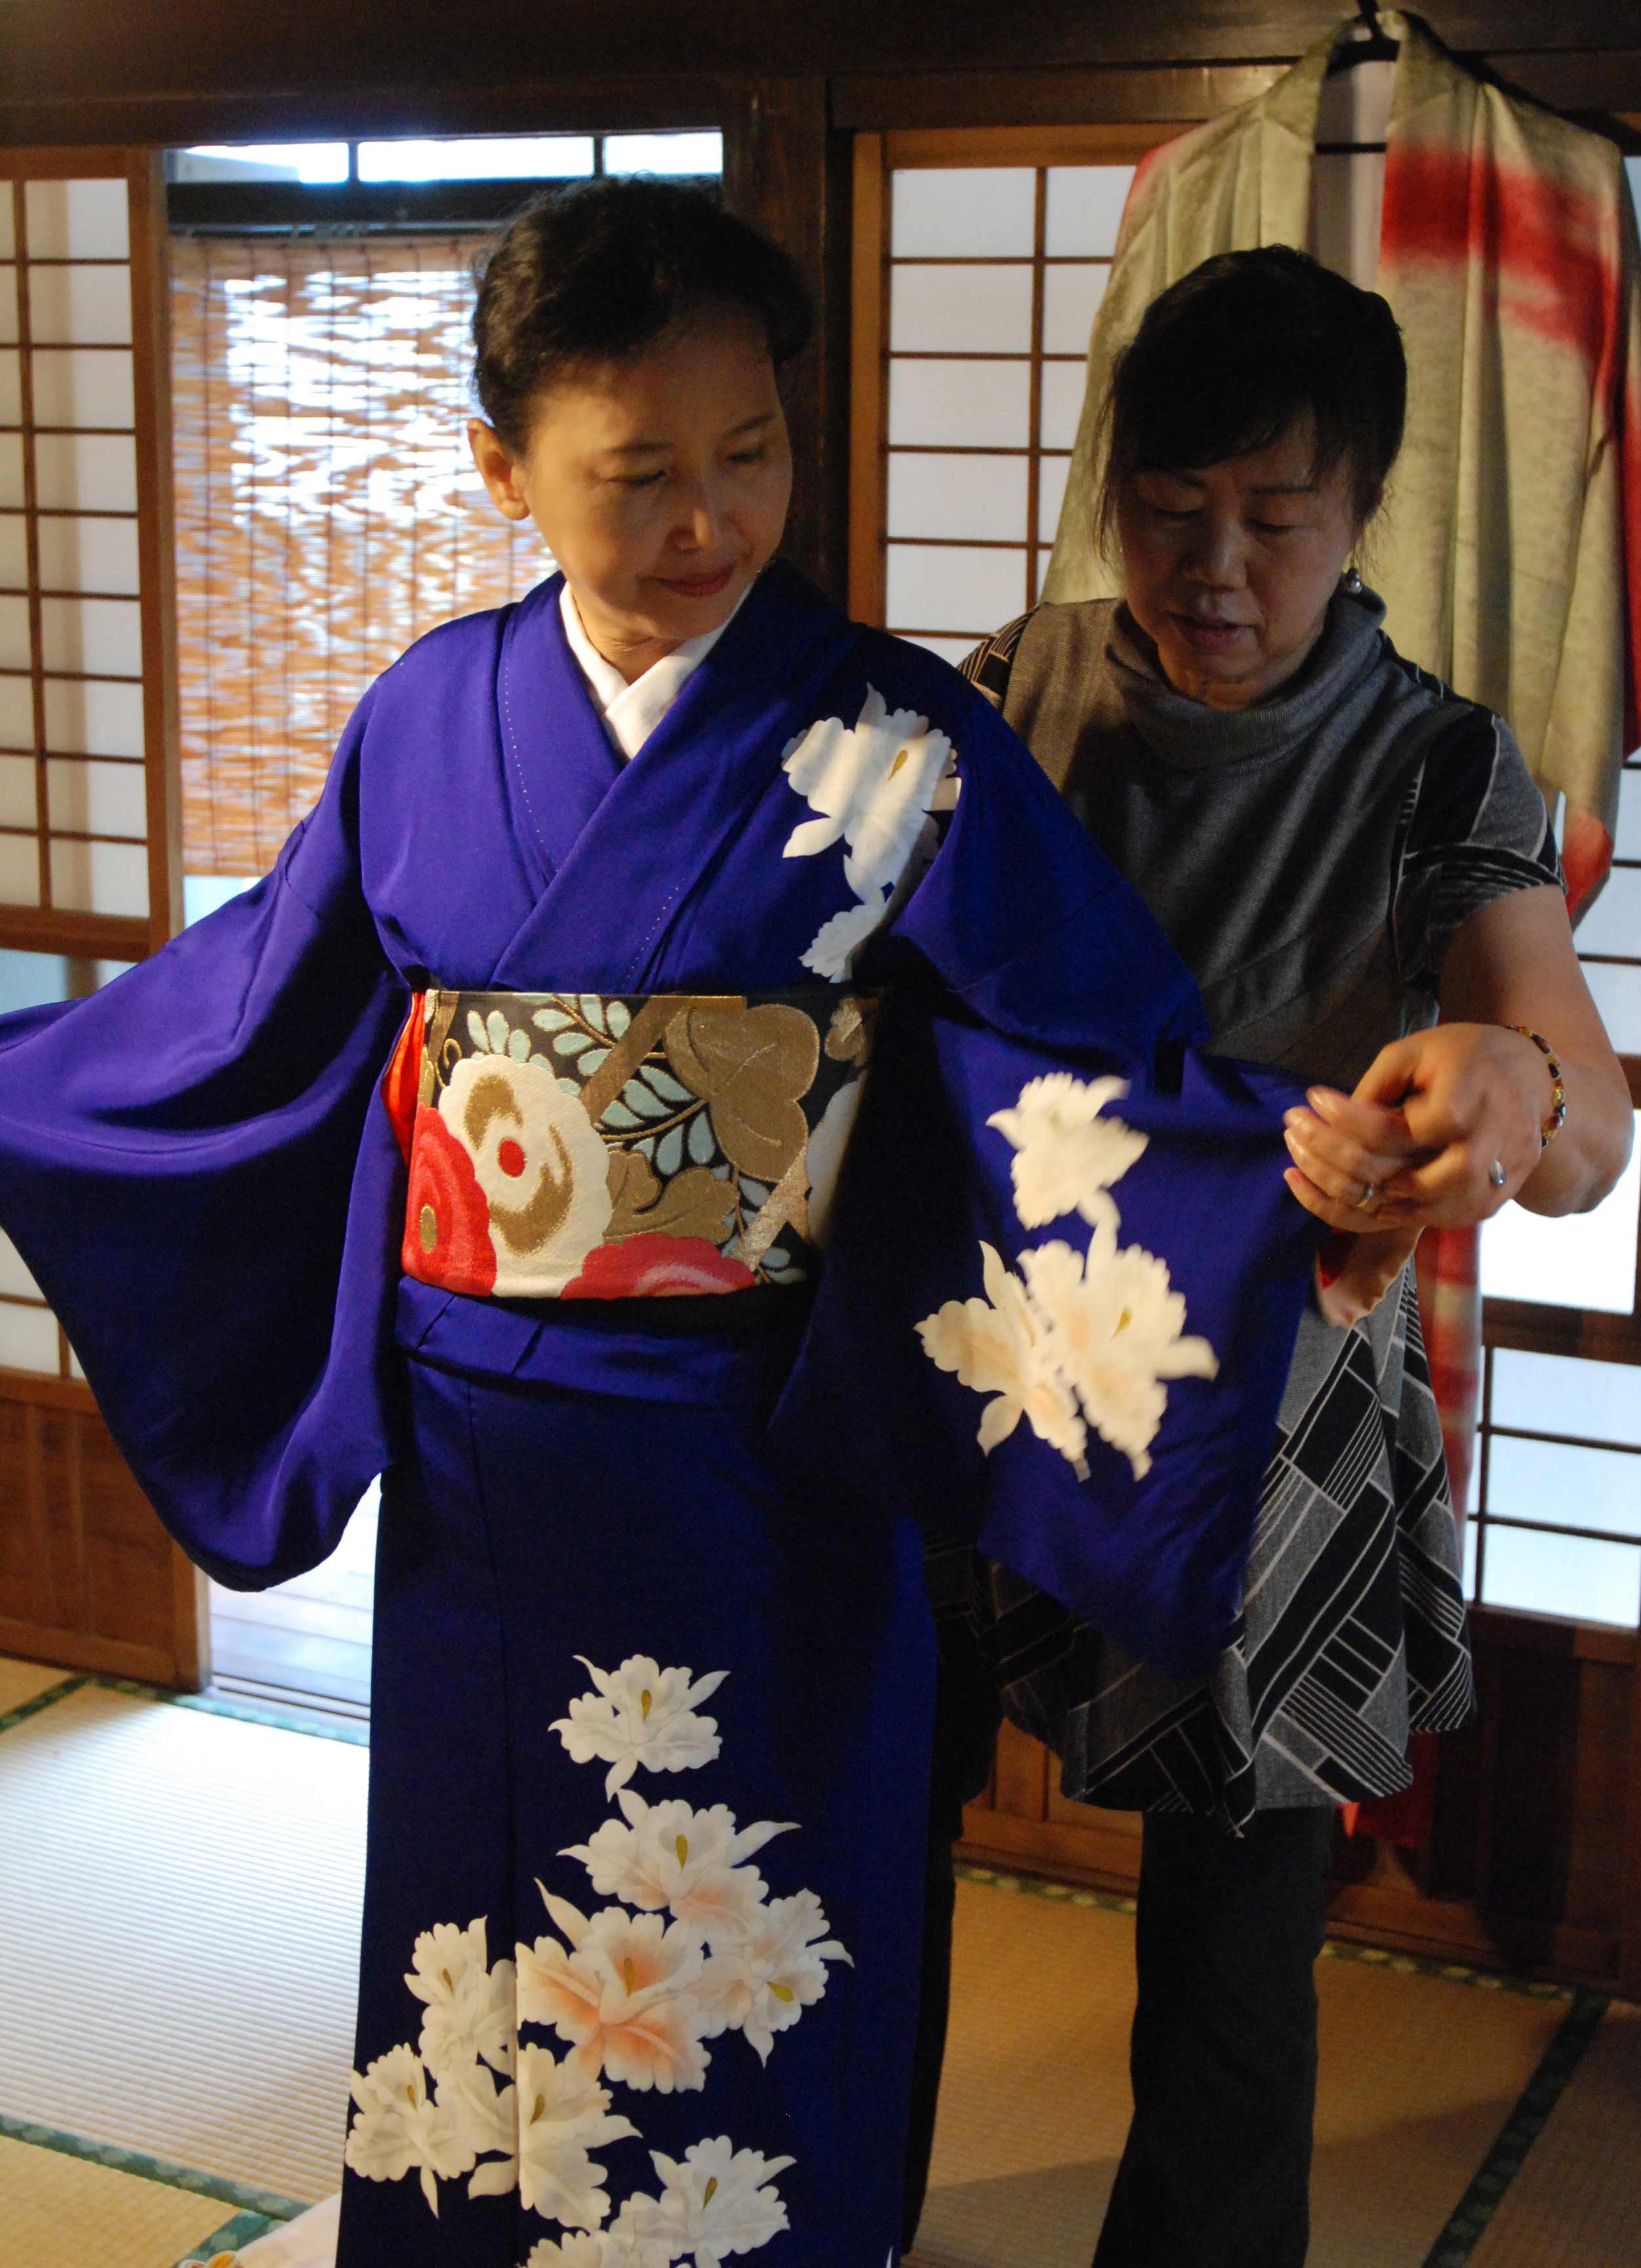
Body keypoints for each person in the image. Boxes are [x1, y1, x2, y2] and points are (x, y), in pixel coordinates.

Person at [0, 189, 1318, 2266]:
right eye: (638, 473)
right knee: (478, 1915)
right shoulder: (424, 718)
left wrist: (1296, 1160)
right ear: (503, 466)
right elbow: (251, 1017)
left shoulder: (894, 736)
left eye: (750, 453)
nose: (711, 518)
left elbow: (1091, 1052)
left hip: (766, 1459)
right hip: (480, 1466)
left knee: (763, 1916)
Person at [911, 246, 1634, 2268]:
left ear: (1361, 508)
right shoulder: (1008, 688)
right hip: (985, 1345)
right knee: (871, 1835)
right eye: (1164, 508)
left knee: (1234, 1954)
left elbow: (1583, 1115)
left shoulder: (1434, 760)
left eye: (1272, 517)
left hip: (1264, 1403)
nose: (1210, 566)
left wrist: (1505, 1084)